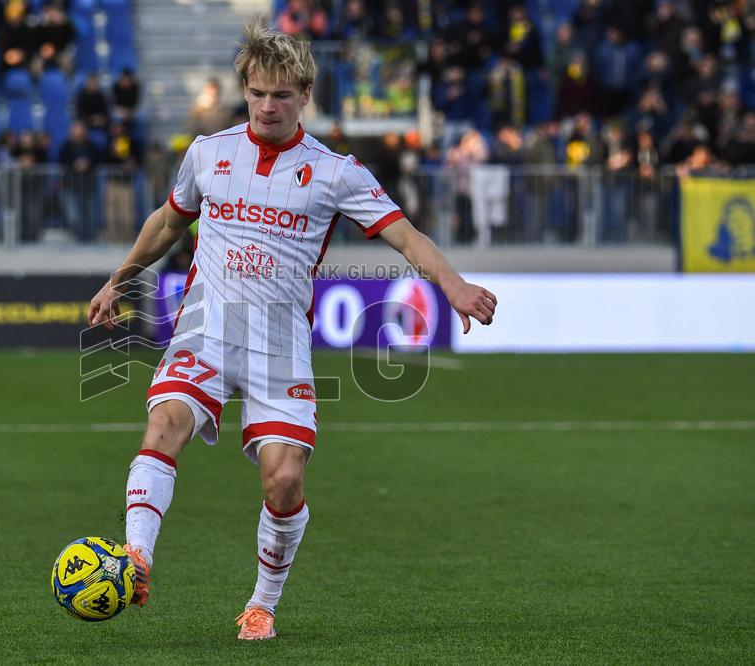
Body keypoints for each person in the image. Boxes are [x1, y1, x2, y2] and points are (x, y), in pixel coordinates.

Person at [86, 20, 497, 641]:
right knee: (165, 422)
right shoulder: (208, 152)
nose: (268, 105)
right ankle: (134, 558)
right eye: (257, 93)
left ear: (305, 95)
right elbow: (169, 224)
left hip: (279, 349)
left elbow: (405, 235)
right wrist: (119, 278)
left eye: (281, 94)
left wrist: (454, 285)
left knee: (283, 481)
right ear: (244, 91)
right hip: (206, 330)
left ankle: (261, 603)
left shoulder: (335, 172)